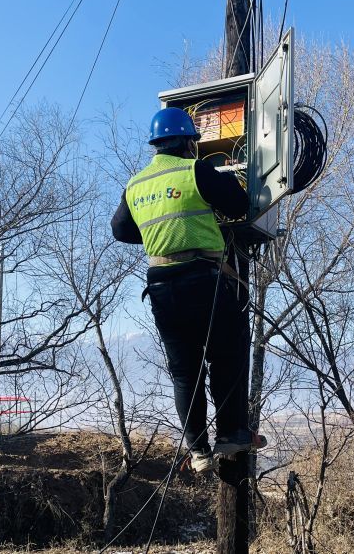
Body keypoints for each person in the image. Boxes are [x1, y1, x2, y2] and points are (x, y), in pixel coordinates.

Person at [111, 107, 265, 473]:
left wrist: (156, 233)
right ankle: (232, 434)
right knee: (228, 352)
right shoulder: (195, 170)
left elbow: (120, 230)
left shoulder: (135, 185)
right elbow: (239, 204)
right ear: (187, 142)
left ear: (156, 145)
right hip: (204, 279)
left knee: (185, 372)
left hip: (162, 288)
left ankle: (198, 452)